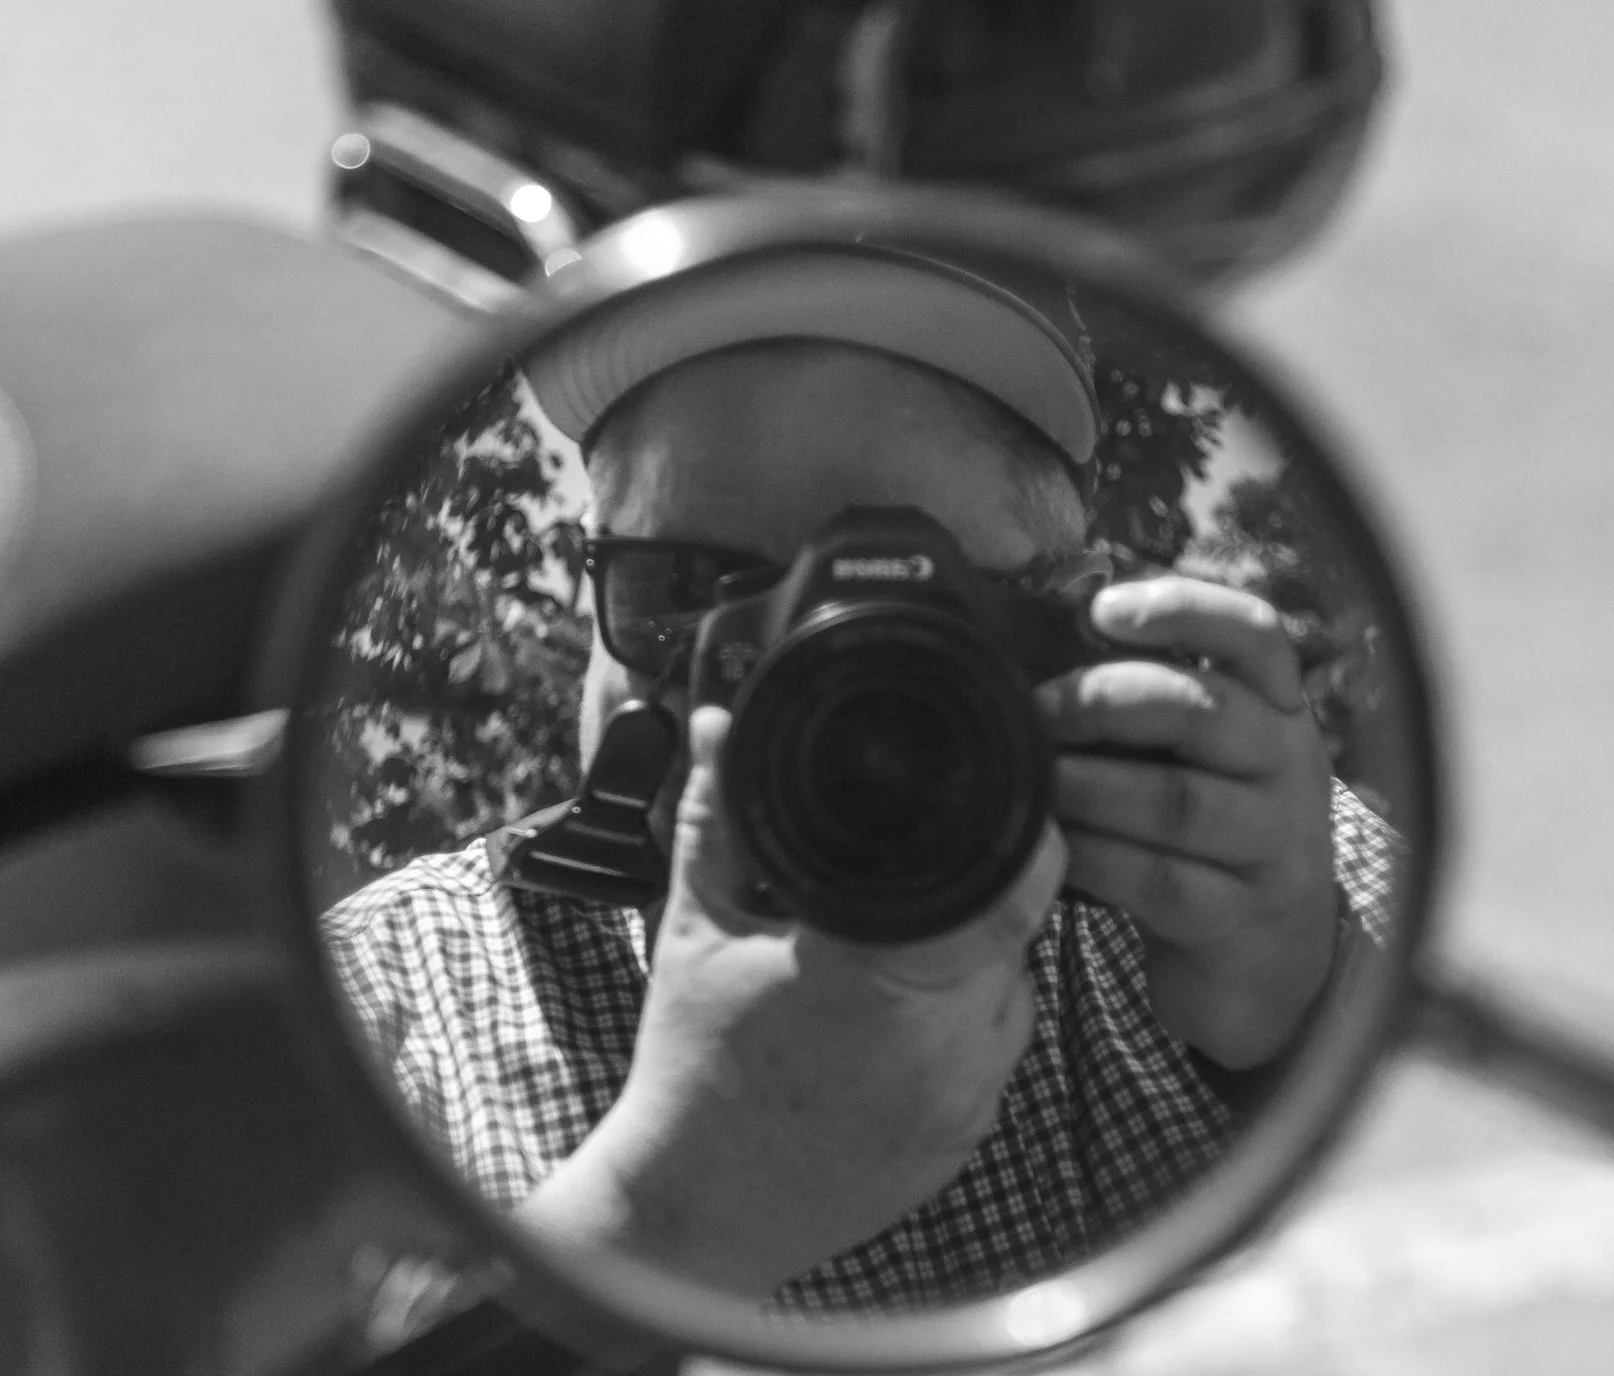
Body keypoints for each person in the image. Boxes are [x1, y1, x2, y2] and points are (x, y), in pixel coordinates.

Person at [325, 246, 1397, 1311]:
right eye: (675, 589)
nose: (793, 687)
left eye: (893, 621)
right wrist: (672, 1205)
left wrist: (1296, 1021)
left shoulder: (1233, 864)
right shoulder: (391, 995)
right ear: (598, 598)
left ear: (1067, 621)